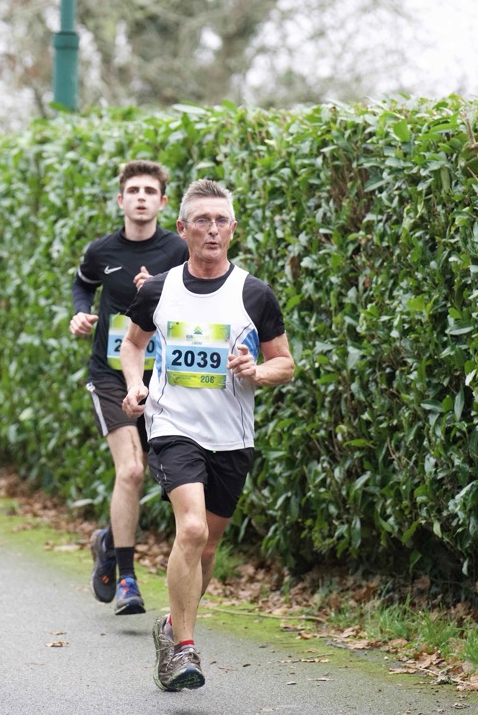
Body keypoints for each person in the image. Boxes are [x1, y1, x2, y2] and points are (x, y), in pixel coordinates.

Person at [119, 178, 295, 692]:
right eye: (202, 220)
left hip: (231, 437)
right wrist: (135, 386)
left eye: (221, 221)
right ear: (183, 228)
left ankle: (171, 626)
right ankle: (184, 650)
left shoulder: (254, 294)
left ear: (233, 229)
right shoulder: (158, 289)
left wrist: (256, 372)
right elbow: (133, 345)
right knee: (191, 530)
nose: (212, 229)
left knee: (209, 547)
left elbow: (285, 363)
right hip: (172, 427)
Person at [70, 160, 190, 616]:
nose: (141, 198)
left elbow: (196, 302)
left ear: (163, 201)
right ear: (121, 200)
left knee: (168, 477)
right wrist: (80, 313)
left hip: (165, 376)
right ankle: (126, 578)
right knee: (132, 471)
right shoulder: (101, 250)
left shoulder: (178, 250)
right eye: (134, 191)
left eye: (150, 191)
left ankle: (108, 539)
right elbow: (82, 285)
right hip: (109, 373)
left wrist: (159, 289)